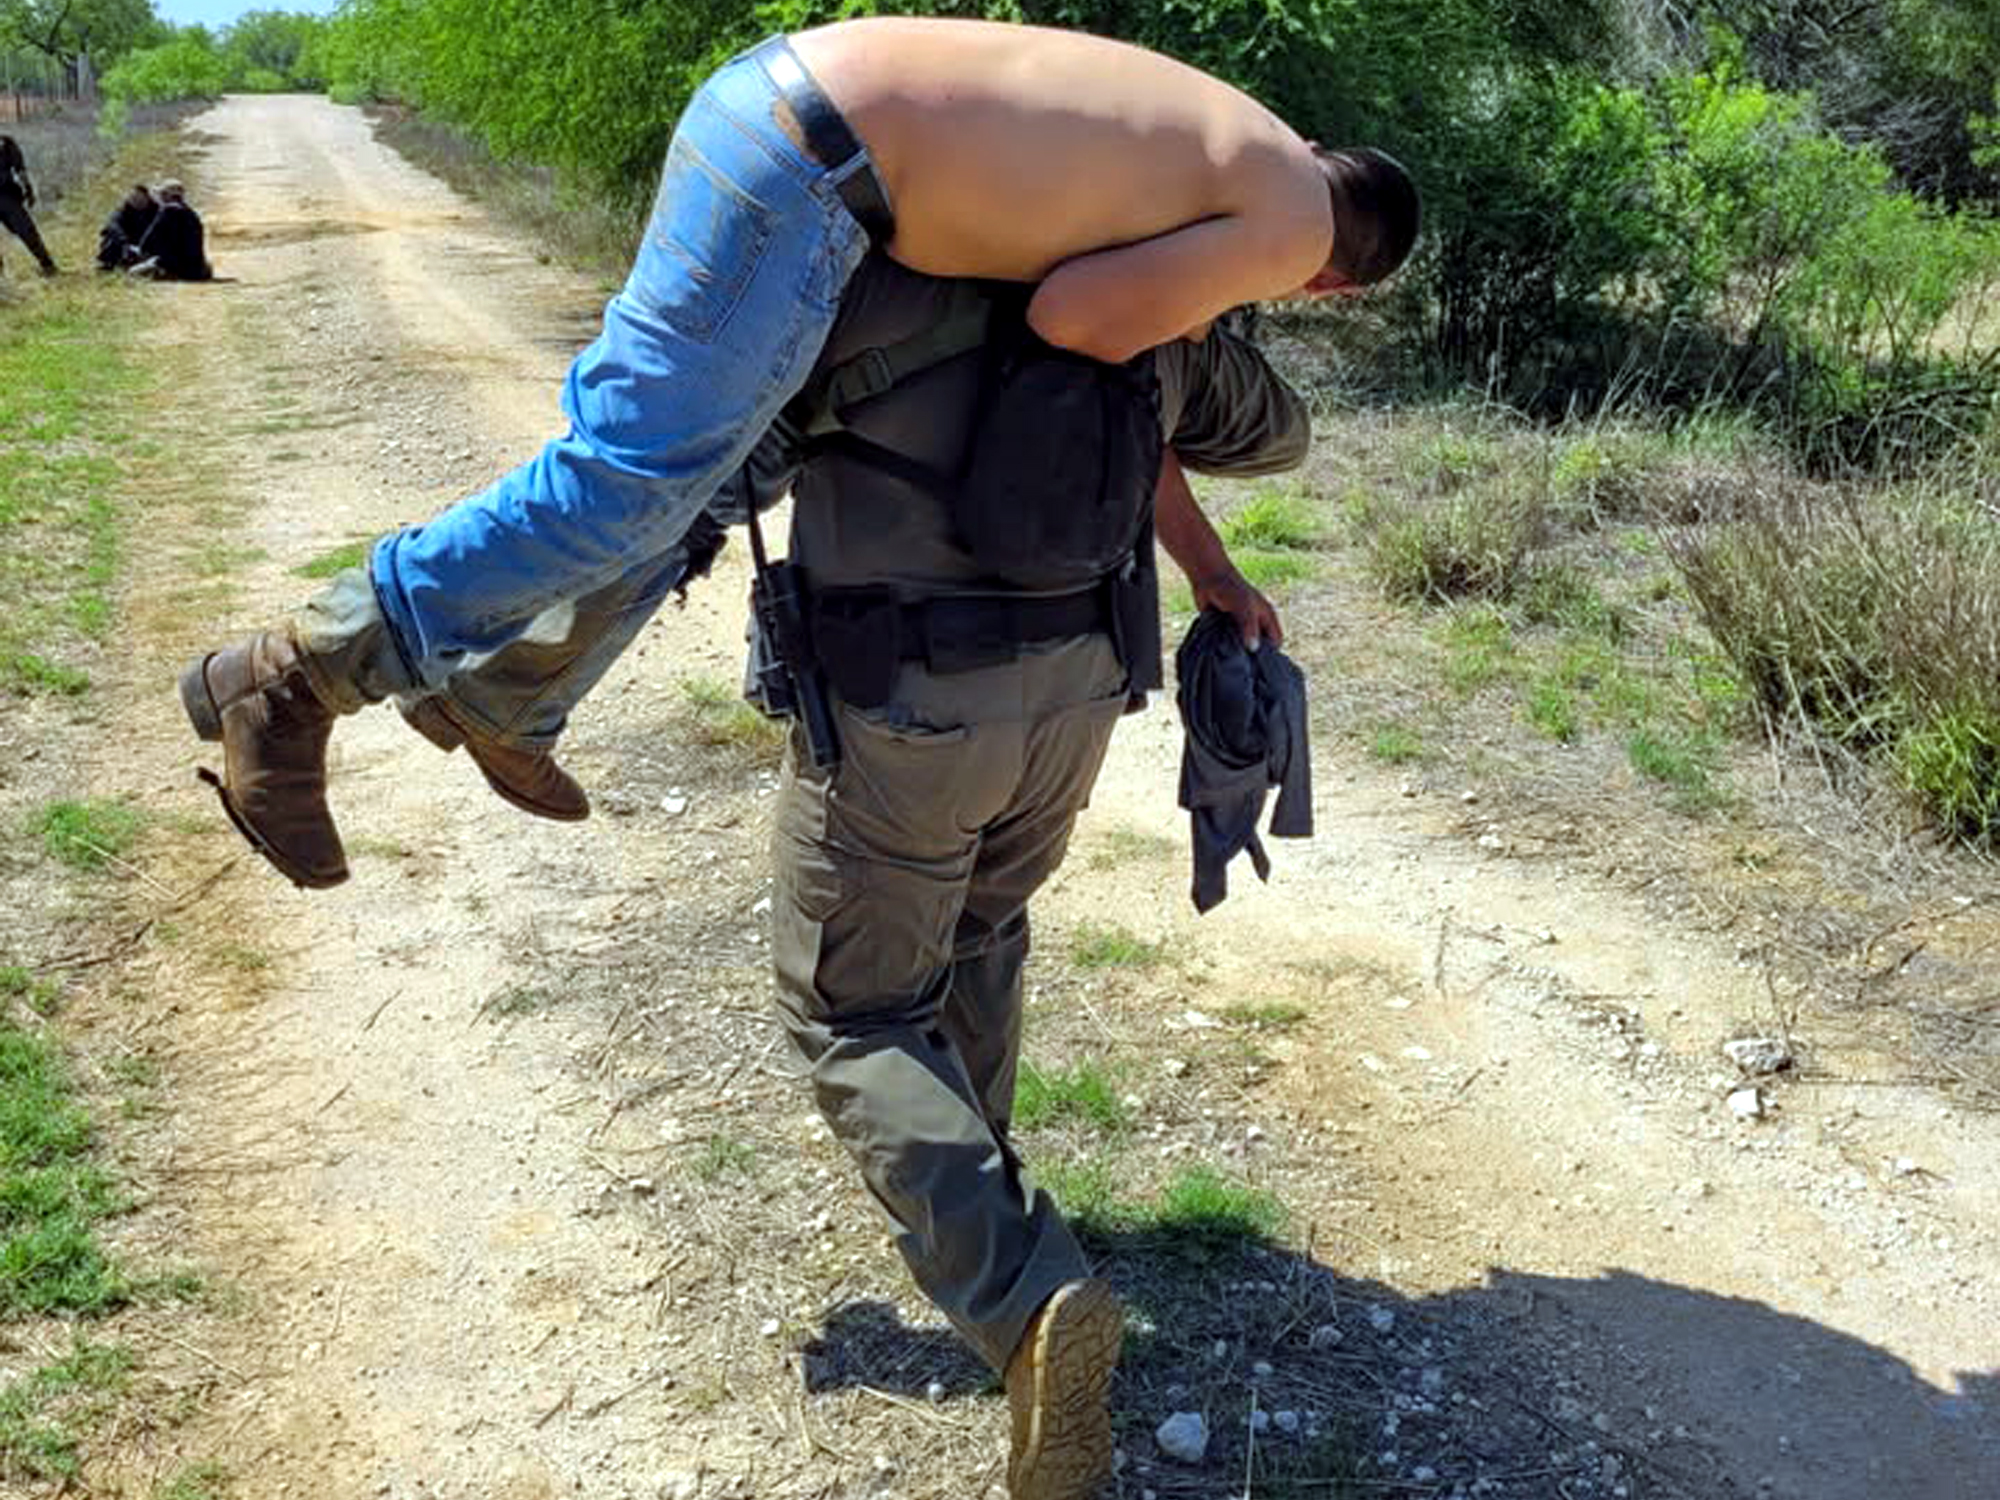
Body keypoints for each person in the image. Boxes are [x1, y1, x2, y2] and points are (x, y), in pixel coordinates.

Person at [176, 18, 1420, 887]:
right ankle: (290, 678)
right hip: (810, 172)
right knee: (627, 478)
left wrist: (1200, 564)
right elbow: (1075, 327)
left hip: (805, 129)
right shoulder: (1288, 222)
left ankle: (512, 693)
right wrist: (1187, 312)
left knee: (722, 477)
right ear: (1335, 285)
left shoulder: (1245, 142)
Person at [0, 132, 59, 277]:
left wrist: (28, 189)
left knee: (26, 230)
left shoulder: (6, 144)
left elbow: (20, 169)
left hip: (6, 194)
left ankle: (47, 264)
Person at [131, 180, 212, 282]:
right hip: (198, 269)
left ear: (166, 195)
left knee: (132, 272)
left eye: (161, 194)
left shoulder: (166, 210)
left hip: (179, 269)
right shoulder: (192, 213)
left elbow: (146, 243)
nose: (160, 197)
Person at [97, 183, 158, 272]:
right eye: (134, 198)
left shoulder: (157, 211)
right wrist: (124, 241)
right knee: (111, 238)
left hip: (148, 244)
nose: (137, 201)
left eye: (141, 198)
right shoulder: (124, 210)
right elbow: (112, 225)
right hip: (126, 241)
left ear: (147, 197)